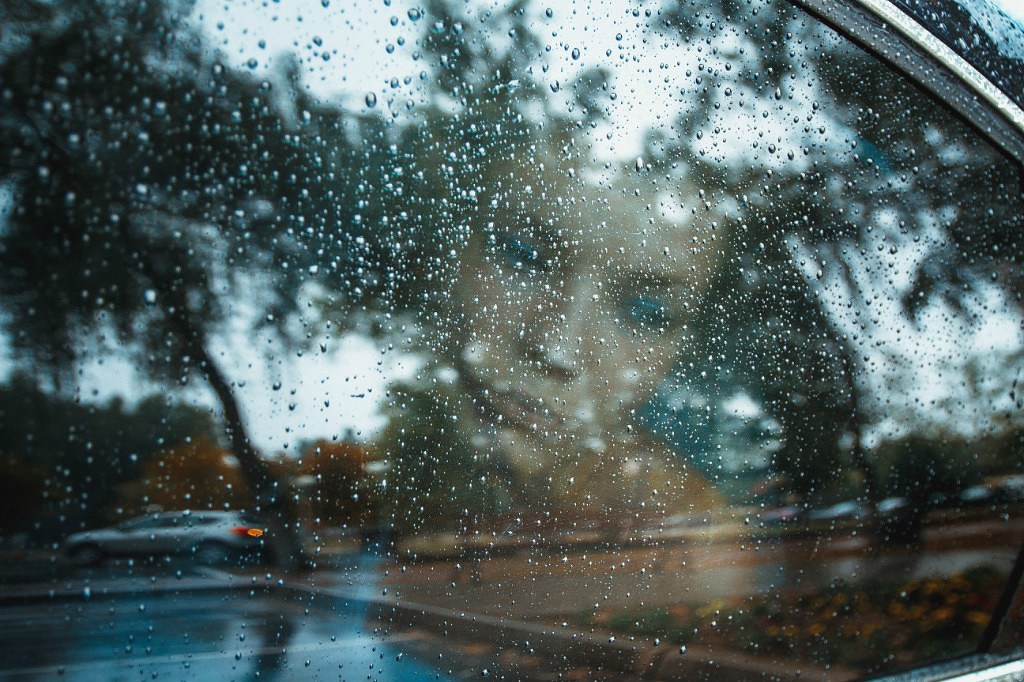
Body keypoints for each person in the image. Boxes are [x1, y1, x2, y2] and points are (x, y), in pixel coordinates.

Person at [420, 133, 733, 528]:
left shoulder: (691, 539)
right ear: (451, 257)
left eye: (646, 312)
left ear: (678, 353)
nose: (556, 349)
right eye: (524, 257)